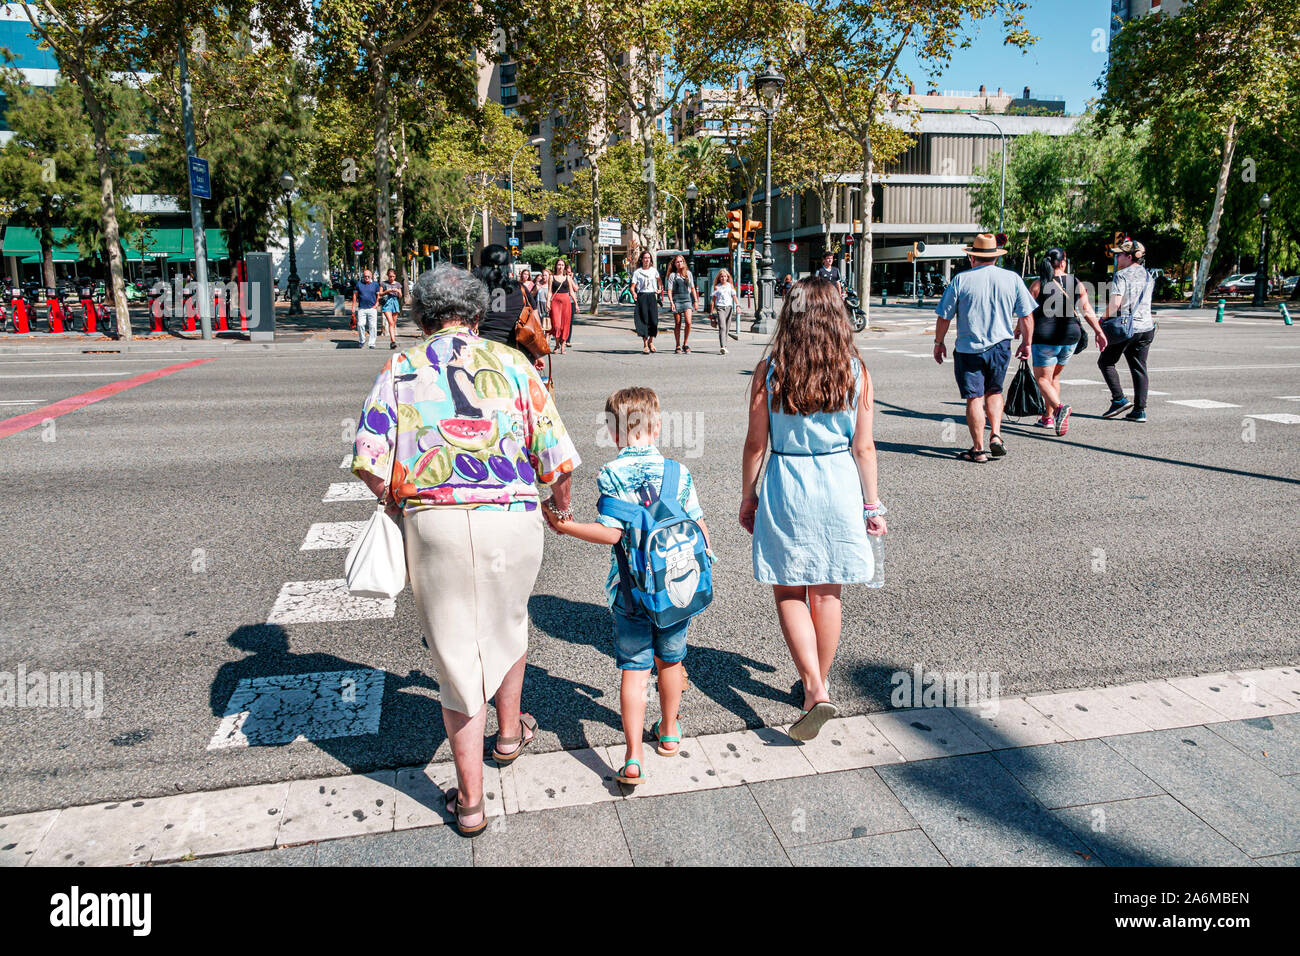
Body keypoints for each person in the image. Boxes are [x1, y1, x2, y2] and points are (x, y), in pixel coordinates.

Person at [351, 263, 580, 837]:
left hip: (437, 524)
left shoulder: (401, 365)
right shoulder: (514, 364)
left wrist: (402, 502)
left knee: (455, 655)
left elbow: (368, 458)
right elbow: (558, 458)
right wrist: (562, 508)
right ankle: (509, 735)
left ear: (421, 316)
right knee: (509, 622)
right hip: (512, 518)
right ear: (478, 314)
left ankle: (471, 801)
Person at [740, 277, 886, 741]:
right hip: (839, 483)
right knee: (827, 593)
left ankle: (814, 687)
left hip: (789, 482)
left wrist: (748, 495)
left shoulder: (771, 370)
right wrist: (872, 504)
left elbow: (755, 443)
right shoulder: (855, 370)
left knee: (789, 591)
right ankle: (815, 686)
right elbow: (864, 446)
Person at [542, 387, 709, 784]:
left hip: (631, 592)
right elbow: (699, 527)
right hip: (675, 589)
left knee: (635, 671)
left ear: (613, 432)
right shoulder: (678, 472)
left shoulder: (611, 474)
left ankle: (633, 757)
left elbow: (611, 533)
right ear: (657, 425)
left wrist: (565, 527)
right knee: (671, 661)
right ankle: (669, 732)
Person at [932, 233, 1036, 462]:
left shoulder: (961, 280)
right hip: (1000, 346)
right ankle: (996, 435)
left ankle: (978, 449)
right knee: (995, 392)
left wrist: (939, 343)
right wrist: (1027, 343)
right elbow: (1027, 316)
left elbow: (944, 316)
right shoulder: (1012, 279)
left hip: (969, 348)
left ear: (972, 258)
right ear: (995, 258)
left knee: (974, 398)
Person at [1027, 249, 1107, 436]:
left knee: (1042, 379)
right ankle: (1048, 418)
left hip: (1045, 337)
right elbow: (1086, 309)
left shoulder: (1039, 284)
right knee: (1054, 377)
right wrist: (1099, 331)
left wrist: (1020, 333)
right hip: (1070, 336)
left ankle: (1059, 408)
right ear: (1063, 263)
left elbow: (1027, 313)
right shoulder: (1077, 283)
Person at [1098, 237, 1156, 423]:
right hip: (1146, 327)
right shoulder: (1149, 276)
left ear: (1130, 257)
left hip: (1125, 327)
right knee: (1139, 368)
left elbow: (1116, 303)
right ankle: (1140, 410)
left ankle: (1118, 399)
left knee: (1106, 362)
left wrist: (1103, 318)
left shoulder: (1121, 275)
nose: (1117, 258)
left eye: (1120, 254)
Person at [474, 245, 543, 364]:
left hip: (481, 354)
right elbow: (535, 322)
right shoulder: (520, 289)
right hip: (515, 355)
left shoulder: (474, 289)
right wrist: (537, 353)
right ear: (507, 265)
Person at [630, 251, 662, 354]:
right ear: (642, 259)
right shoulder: (637, 272)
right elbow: (632, 287)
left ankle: (651, 341)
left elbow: (659, 281)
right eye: (645, 258)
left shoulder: (654, 271)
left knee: (653, 321)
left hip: (652, 296)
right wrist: (634, 293)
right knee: (643, 320)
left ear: (650, 260)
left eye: (648, 258)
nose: (647, 260)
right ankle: (645, 344)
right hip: (642, 296)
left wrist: (660, 289)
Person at [667, 254, 699, 354]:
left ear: (684, 262)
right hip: (676, 301)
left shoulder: (688, 274)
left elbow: (692, 288)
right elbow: (669, 291)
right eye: (677, 262)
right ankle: (677, 345)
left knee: (689, 322)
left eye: (681, 261)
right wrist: (671, 302)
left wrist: (696, 301)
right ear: (675, 264)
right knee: (678, 323)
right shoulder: (673, 275)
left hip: (687, 300)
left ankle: (685, 343)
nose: (679, 263)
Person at [548, 257, 575, 354]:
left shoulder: (567, 278)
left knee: (565, 325)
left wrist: (576, 304)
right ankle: (556, 344)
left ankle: (562, 346)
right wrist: (548, 303)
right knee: (556, 325)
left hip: (566, 302)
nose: (560, 267)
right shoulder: (551, 277)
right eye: (559, 264)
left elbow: (572, 292)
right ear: (556, 266)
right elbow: (549, 292)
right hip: (555, 302)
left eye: (562, 265)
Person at [352, 268, 380, 348]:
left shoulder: (375, 284)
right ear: (363, 277)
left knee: (373, 326)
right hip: (362, 308)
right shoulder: (359, 284)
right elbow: (355, 295)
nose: (366, 277)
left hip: (372, 308)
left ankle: (372, 343)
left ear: (371, 276)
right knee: (360, 324)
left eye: (368, 276)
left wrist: (377, 304)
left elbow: (378, 295)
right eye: (365, 276)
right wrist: (353, 307)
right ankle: (362, 340)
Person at [711, 268, 736, 355]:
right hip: (720, 308)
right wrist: (711, 312)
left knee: (727, 328)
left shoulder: (730, 285)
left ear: (727, 277)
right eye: (721, 276)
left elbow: (734, 296)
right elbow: (713, 300)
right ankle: (722, 346)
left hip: (729, 308)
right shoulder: (717, 287)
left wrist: (738, 305)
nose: (723, 278)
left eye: (725, 276)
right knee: (722, 327)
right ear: (719, 277)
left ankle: (725, 346)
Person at [379, 268, 402, 350]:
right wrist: (387, 291)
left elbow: (400, 296)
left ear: (395, 276)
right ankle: (393, 341)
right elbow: (380, 293)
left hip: (395, 302)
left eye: (393, 276)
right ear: (387, 276)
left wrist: (398, 292)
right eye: (390, 276)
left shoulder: (398, 284)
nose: (391, 278)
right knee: (390, 322)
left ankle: (393, 341)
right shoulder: (383, 283)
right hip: (387, 303)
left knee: (393, 324)